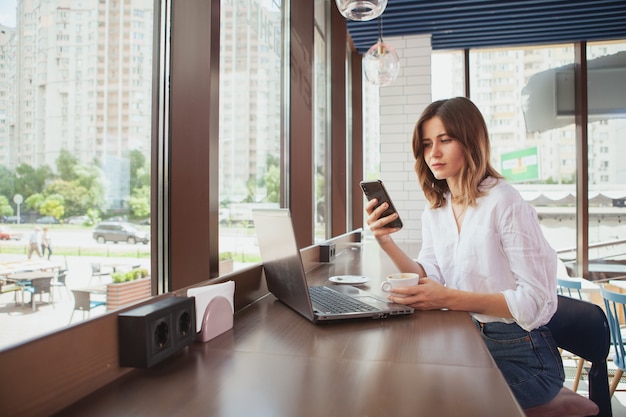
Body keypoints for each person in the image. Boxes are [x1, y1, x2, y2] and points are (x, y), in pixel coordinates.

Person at [365, 97, 563, 410]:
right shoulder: (437, 210)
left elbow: (537, 302)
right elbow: (430, 274)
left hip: (525, 358)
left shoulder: (505, 202)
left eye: (445, 140)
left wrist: (446, 298)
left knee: (439, 402)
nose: (434, 154)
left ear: (471, 142)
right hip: (471, 343)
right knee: (401, 384)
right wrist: (386, 242)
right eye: (427, 144)